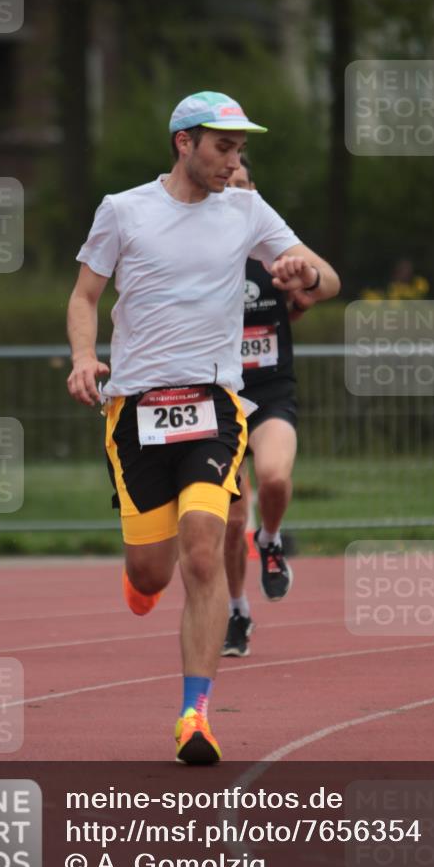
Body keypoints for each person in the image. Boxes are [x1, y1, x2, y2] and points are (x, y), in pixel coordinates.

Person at [66, 91, 340, 764]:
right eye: (222, 147)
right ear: (183, 142)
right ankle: (141, 576)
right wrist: (82, 357)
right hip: (136, 412)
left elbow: (327, 279)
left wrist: (304, 272)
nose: (232, 162)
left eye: (239, 150)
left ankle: (195, 716)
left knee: (202, 548)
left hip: (215, 407)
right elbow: (84, 296)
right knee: (152, 573)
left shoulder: (246, 210)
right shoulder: (123, 210)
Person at [221, 157, 325, 657]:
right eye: (227, 185)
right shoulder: (200, 255)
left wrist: (300, 285)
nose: (234, 192)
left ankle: (271, 539)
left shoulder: (274, 250)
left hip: (270, 392)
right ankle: (237, 611)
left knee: (275, 478)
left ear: (254, 191)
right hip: (219, 396)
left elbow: (312, 293)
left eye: (243, 184)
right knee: (229, 518)